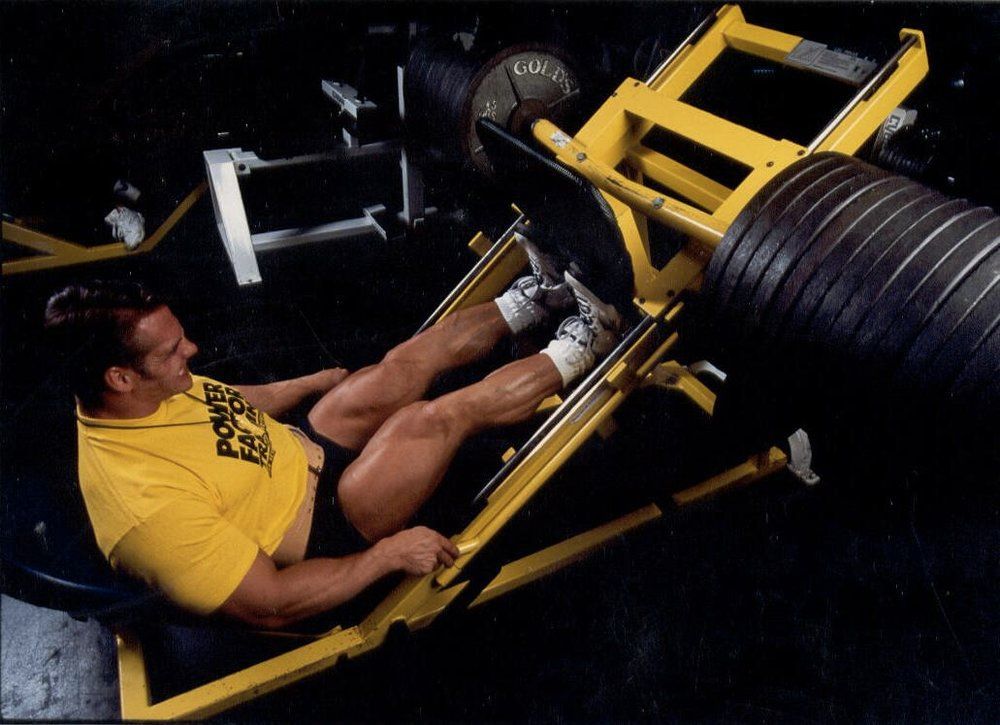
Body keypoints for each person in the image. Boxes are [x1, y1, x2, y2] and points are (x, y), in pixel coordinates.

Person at [44, 231, 624, 628]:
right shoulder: (145, 510)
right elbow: (270, 605)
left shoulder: (145, 393)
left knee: (398, 367)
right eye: (173, 350)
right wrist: (385, 556)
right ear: (120, 377)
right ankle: (586, 346)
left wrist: (312, 381)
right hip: (332, 528)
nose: (191, 351)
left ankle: (535, 301)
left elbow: (230, 404)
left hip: (303, 450)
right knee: (431, 418)